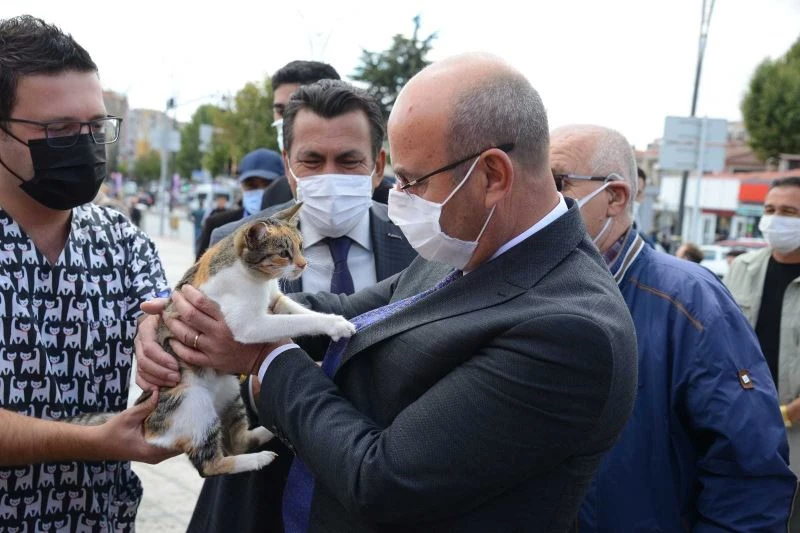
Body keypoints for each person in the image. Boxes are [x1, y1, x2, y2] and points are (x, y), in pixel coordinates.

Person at [136, 53, 638, 531]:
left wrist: (262, 355)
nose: (397, 197)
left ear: (491, 175)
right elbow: (344, 314)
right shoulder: (469, 249)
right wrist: (190, 319)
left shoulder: (570, 330)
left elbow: (383, 478)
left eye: (413, 180)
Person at [188, 79, 418, 533]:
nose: (329, 175)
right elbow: (205, 357)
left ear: (378, 167)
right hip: (258, 500)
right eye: (312, 161)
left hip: (378, 501)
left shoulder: (418, 244)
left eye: (349, 160)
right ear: (290, 170)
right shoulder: (229, 246)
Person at [548, 124, 795, 531]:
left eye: (558, 183)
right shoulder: (527, 284)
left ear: (614, 197)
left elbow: (748, 470)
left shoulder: (690, 300)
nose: (540, 199)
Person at [0, 15, 175, 531]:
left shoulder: (119, 238)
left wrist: (159, 334)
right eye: (57, 130)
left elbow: (162, 310)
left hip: (101, 517)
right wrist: (94, 442)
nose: (84, 144)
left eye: (95, 126)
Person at [725, 177, 800, 511]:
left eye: (789, 211)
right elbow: (720, 343)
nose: (775, 218)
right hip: (744, 424)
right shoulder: (741, 268)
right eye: (770, 209)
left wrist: (790, 412)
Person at [262, 60, 394, 209]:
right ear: (286, 164)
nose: (328, 176)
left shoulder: (395, 212)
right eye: (281, 111)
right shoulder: (274, 195)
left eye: (349, 161)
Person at [195, 148, 283, 259]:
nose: (260, 191)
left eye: (268, 184)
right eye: (251, 185)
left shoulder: (297, 225)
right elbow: (199, 274)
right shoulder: (217, 226)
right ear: (241, 185)